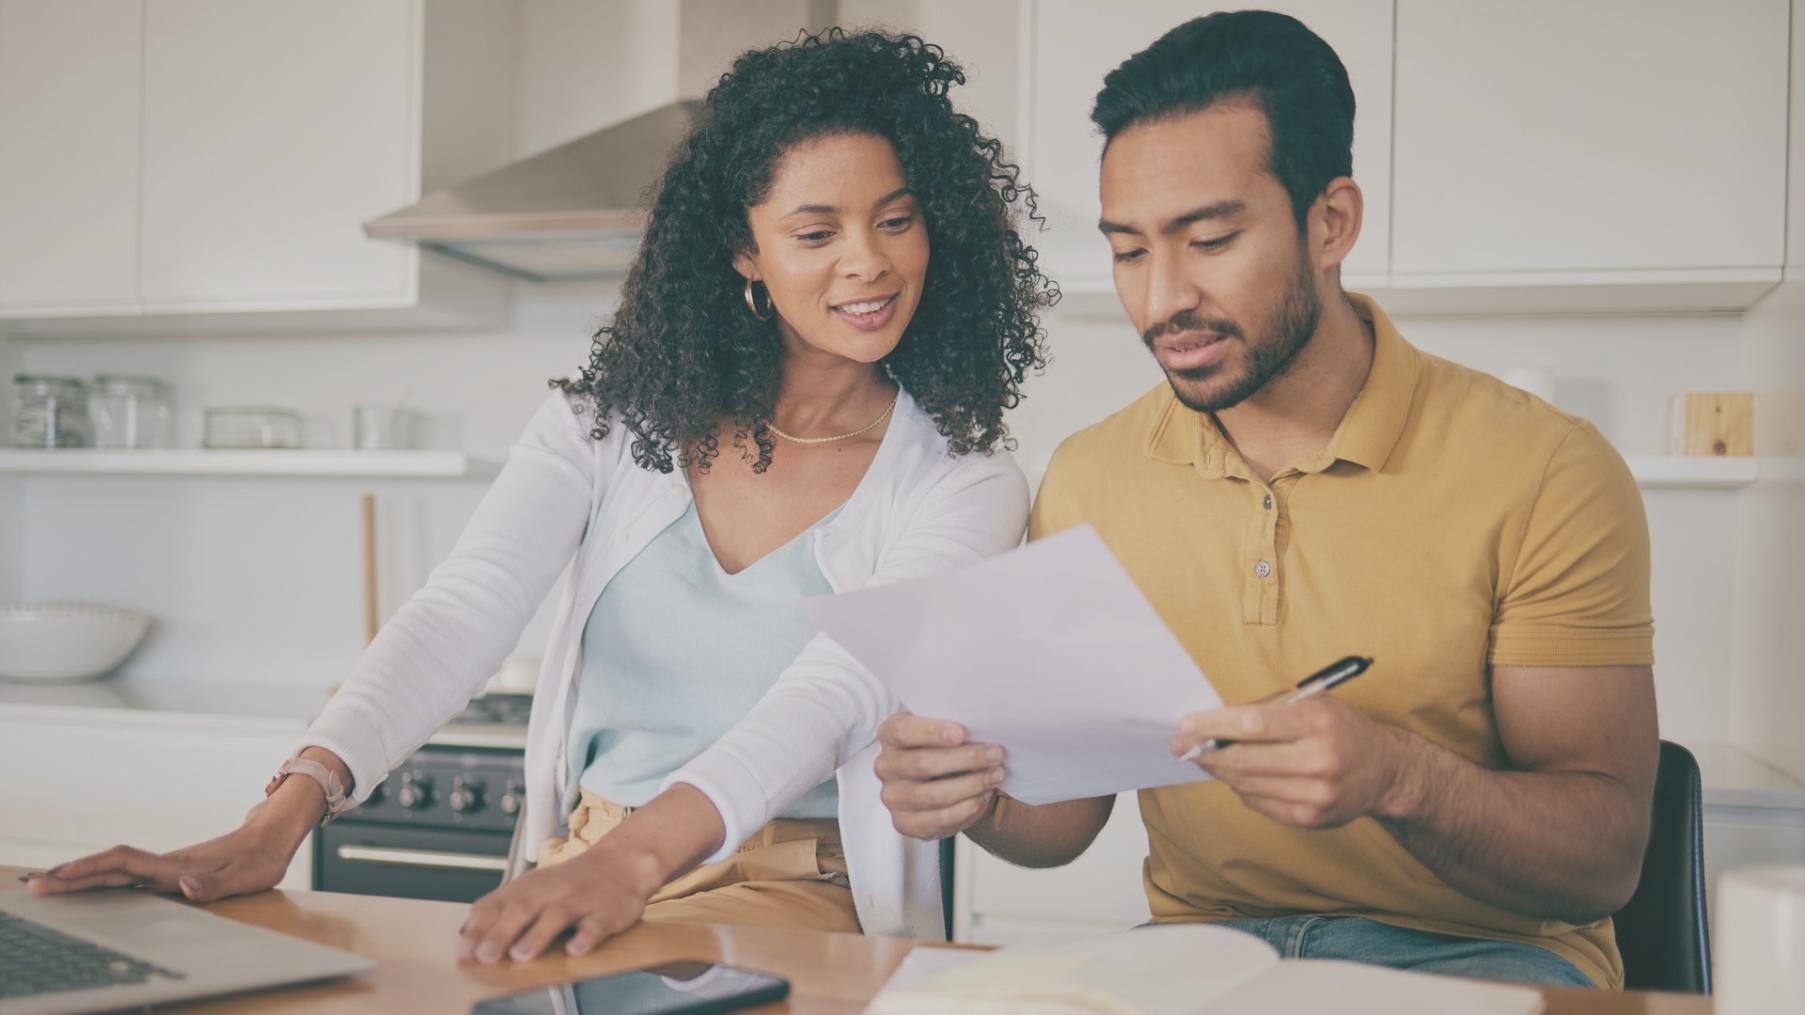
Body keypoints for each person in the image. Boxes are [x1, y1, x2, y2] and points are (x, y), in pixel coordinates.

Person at [29, 28, 1055, 965]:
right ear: (745, 251)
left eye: (894, 220)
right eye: (815, 231)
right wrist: (276, 824)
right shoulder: (605, 425)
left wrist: (634, 863)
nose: (866, 262)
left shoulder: (962, 483)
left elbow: (832, 695)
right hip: (581, 859)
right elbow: (459, 613)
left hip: (786, 887)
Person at [871, 11, 1656, 991]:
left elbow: (1603, 859)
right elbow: (1064, 822)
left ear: (1329, 222)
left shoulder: (1543, 469)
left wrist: (1397, 777)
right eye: (1127, 250)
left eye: (1208, 239)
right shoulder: (1089, 476)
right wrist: (970, 790)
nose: (1160, 300)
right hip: (1198, 958)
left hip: (1480, 959)